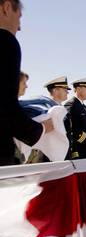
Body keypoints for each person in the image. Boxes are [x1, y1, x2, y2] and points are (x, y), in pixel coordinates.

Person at [0, 0, 53, 166]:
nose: (20, 27)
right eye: (19, 17)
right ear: (6, 7)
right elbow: (5, 109)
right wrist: (41, 129)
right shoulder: (4, 41)